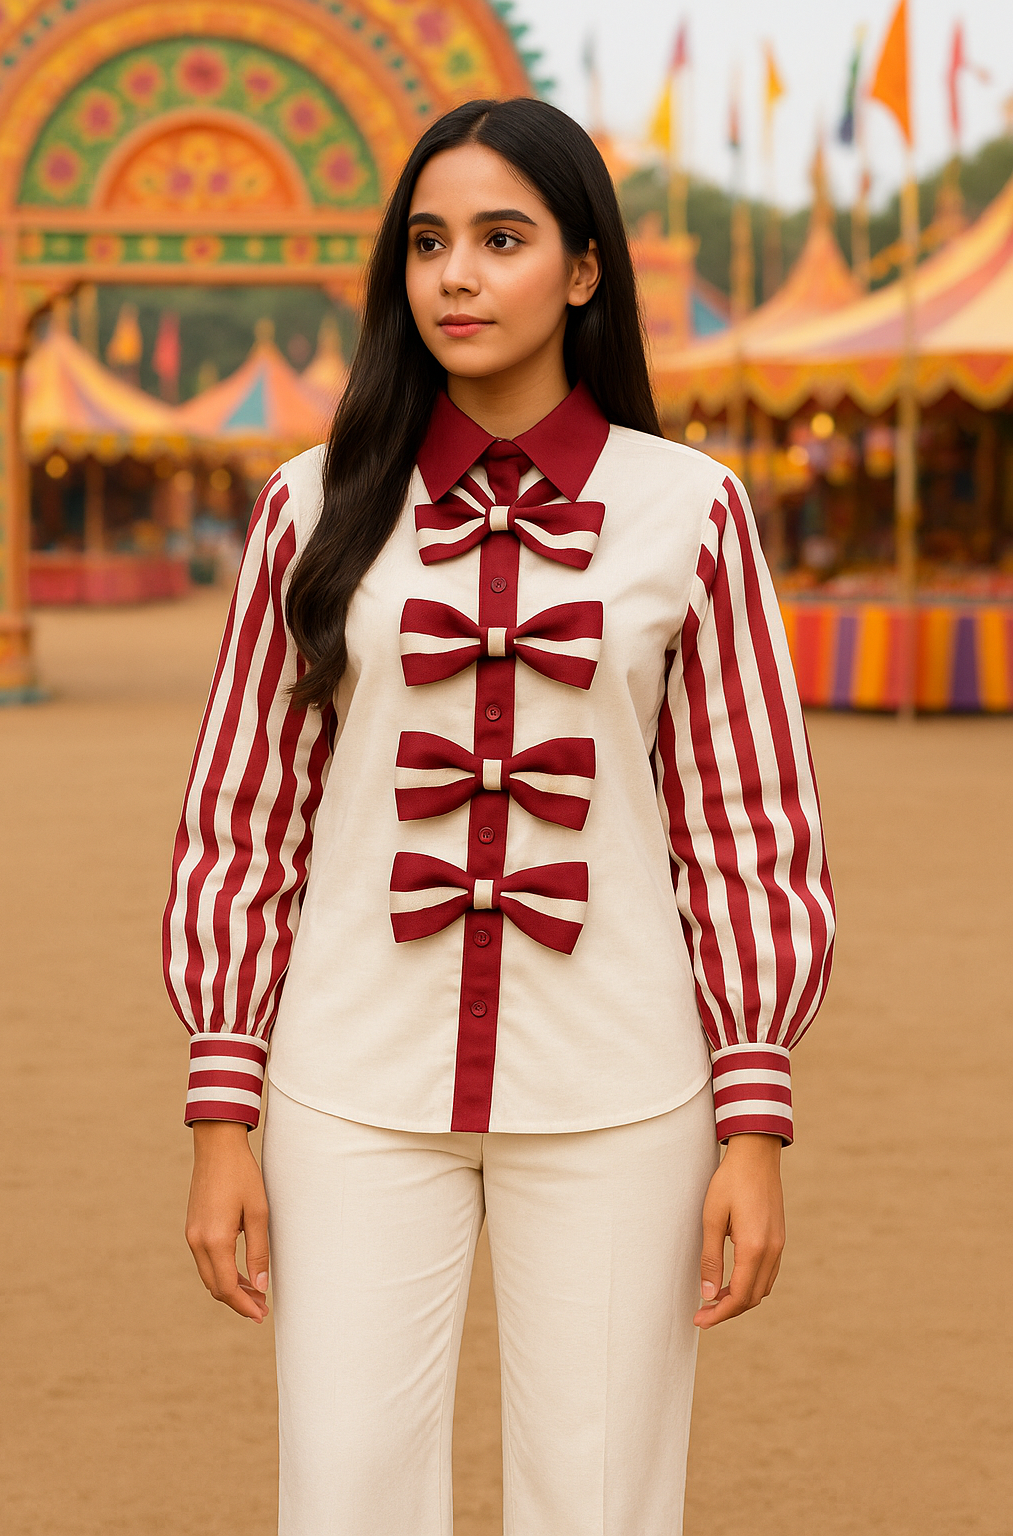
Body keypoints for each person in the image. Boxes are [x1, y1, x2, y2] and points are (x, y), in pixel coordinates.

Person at [163, 97, 835, 1536]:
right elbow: (242, 819)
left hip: (623, 1090)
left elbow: (746, 830)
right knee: (344, 1500)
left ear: (585, 270)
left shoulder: (694, 514)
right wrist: (224, 1110)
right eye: (428, 243)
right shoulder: (311, 508)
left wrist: (753, 1119)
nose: (456, 277)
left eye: (501, 239)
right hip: (348, 1081)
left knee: (598, 1509)